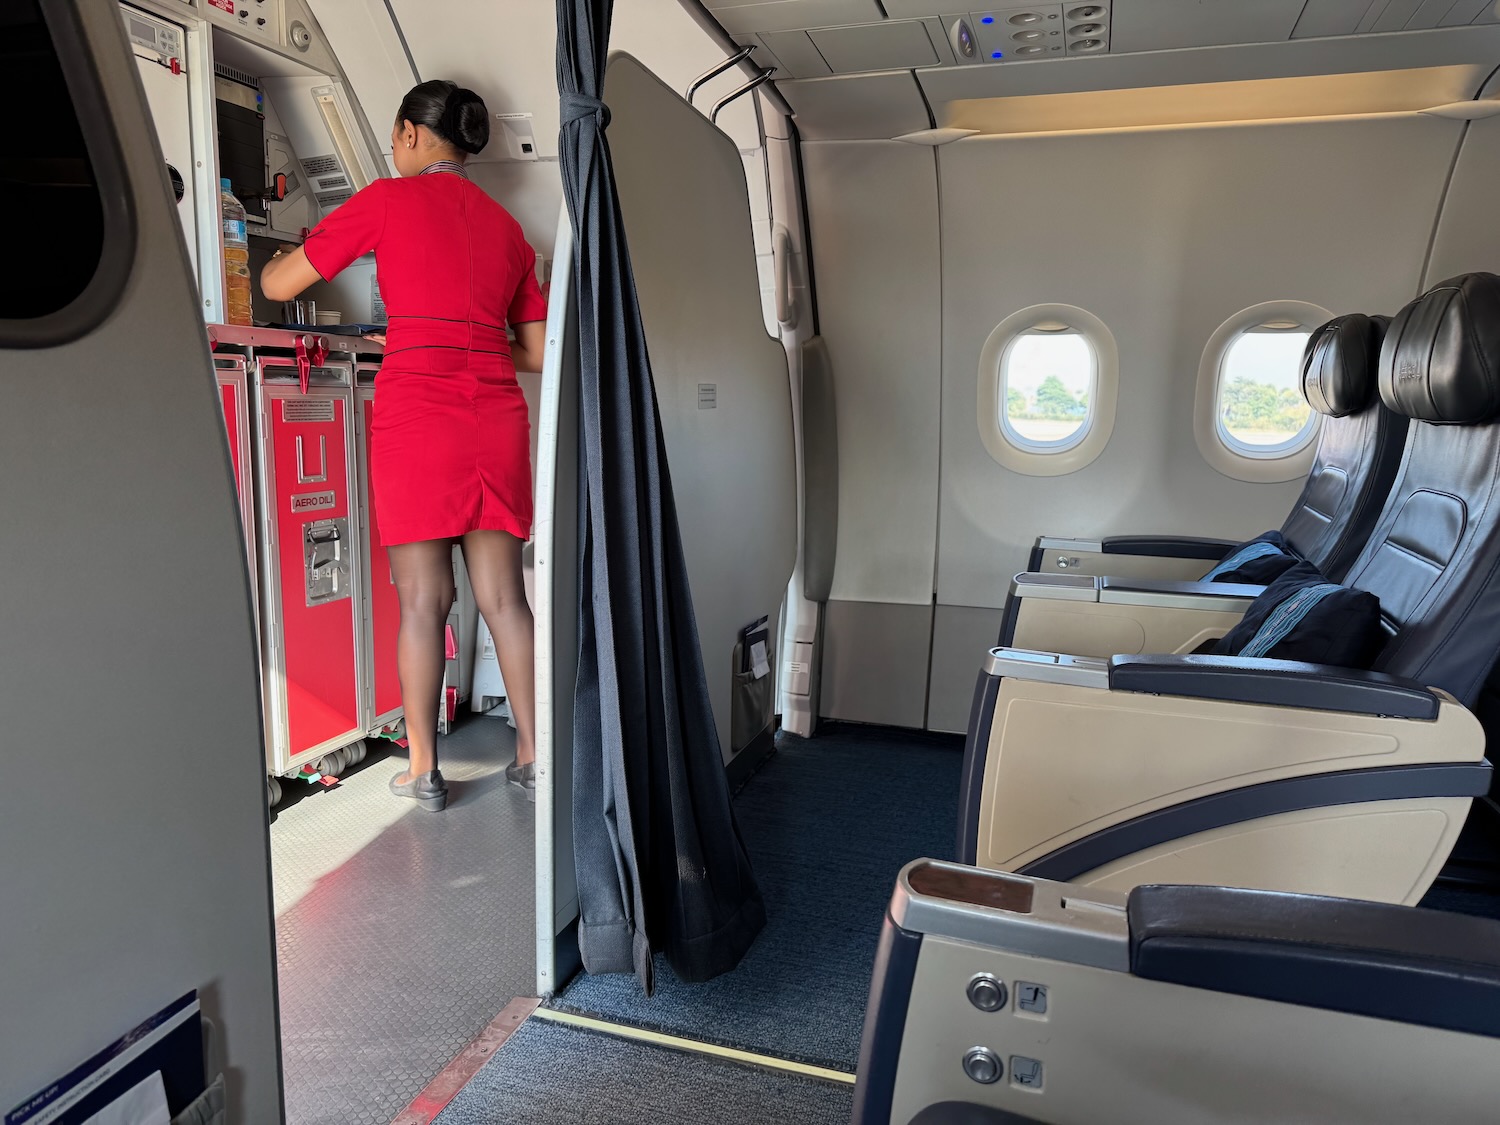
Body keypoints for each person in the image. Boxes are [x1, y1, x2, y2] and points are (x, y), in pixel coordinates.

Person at [261, 80, 545, 810]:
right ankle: (533, 755)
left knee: (423, 601)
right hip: (495, 417)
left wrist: (415, 337)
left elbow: (278, 280)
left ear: (412, 136)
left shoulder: (387, 200)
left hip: (418, 413)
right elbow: (537, 353)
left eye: (395, 139)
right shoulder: (509, 229)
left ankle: (423, 770)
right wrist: (470, 339)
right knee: (506, 599)